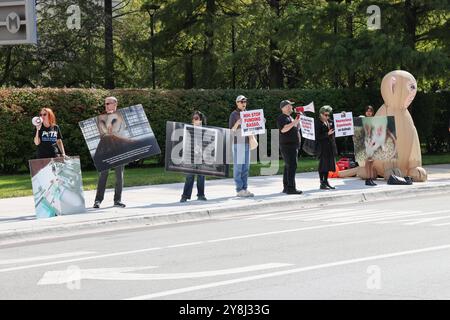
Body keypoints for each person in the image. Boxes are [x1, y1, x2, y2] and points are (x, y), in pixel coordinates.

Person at [93, 97, 126, 209]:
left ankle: (118, 200)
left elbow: (124, 134)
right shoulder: (102, 118)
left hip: (119, 150)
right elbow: (101, 135)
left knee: (119, 177)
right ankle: (98, 200)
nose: (106, 105)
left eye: (108, 103)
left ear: (115, 104)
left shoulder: (122, 117)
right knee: (103, 175)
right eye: (105, 104)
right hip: (106, 150)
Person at [229, 95, 254, 197]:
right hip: (238, 143)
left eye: (245, 102)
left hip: (247, 142)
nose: (244, 103)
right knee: (238, 167)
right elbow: (231, 131)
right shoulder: (233, 115)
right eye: (242, 102)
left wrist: (260, 123)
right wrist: (237, 123)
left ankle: (244, 188)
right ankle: (239, 189)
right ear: (237, 103)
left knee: (245, 167)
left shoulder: (249, 114)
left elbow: (254, 127)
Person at [180, 111, 208, 203]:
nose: (194, 120)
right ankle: (185, 196)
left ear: (200, 120)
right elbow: (185, 143)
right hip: (190, 156)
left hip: (201, 156)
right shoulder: (188, 130)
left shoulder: (205, 130)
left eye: (196, 118)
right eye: (193, 118)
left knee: (201, 176)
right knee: (189, 176)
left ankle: (201, 195)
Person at [277, 100, 303, 195]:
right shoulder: (282, 117)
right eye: (288, 106)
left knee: (288, 166)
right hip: (287, 145)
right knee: (292, 166)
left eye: (290, 106)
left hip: (292, 145)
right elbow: (283, 129)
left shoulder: (290, 117)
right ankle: (291, 188)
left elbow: (295, 128)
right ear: (283, 108)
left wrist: (298, 121)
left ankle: (286, 187)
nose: (290, 107)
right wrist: (294, 122)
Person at [316, 105, 338, 190]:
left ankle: (326, 181)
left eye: (328, 115)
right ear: (321, 114)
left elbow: (338, 124)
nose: (327, 117)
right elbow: (317, 136)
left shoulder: (330, 121)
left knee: (328, 165)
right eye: (325, 115)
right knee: (323, 166)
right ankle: (322, 183)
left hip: (330, 147)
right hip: (322, 147)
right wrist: (327, 134)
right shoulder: (318, 123)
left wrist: (343, 115)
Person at [362, 105, 377, 186]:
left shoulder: (374, 120)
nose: (369, 112)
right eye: (367, 111)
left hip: (373, 142)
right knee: (367, 161)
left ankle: (370, 178)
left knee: (371, 162)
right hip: (366, 143)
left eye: (370, 111)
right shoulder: (363, 120)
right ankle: (368, 179)